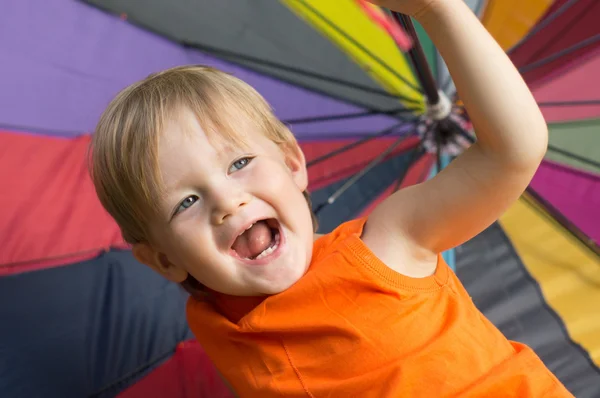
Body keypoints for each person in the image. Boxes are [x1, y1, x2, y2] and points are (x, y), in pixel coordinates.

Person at [89, 0, 573, 396]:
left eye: (239, 164)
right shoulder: (219, 330)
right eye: (186, 202)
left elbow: (512, 152)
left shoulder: (388, 244)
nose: (228, 202)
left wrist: (438, 11)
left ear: (293, 163)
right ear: (163, 261)